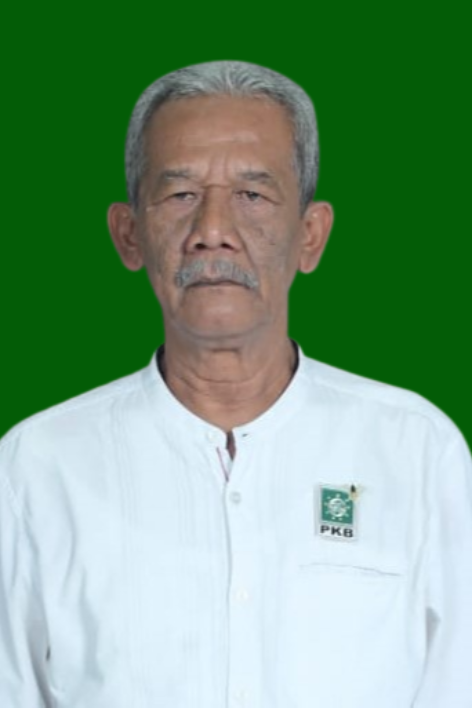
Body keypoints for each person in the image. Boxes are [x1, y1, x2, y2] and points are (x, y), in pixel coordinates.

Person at [0, 60, 471, 708]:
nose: (213, 232)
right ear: (128, 234)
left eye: (253, 195)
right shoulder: (36, 467)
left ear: (311, 235)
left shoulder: (416, 451)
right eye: (180, 195)